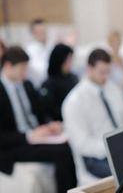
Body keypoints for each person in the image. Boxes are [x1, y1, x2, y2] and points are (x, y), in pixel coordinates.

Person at [0, 46, 77, 193]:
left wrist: (49, 126)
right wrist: (30, 135)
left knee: (69, 144)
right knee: (62, 153)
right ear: (8, 66)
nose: (25, 73)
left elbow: (40, 113)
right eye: (22, 69)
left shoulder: (27, 85)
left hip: (38, 137)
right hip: (16, 144)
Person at [62, 48, 123, 179]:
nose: (106, 77)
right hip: (95, 157)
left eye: (108, 72)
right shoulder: (74, 101)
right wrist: (113, 147)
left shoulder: (113, 88)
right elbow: (81, 143)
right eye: (102, 72)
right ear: (89, 69)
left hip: (122, 148)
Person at [41, 43, 78, 121]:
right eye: (68, 60)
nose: (71, 64)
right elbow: (48, 111)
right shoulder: (49, 84)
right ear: (60, 61)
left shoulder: (73, 78)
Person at [25, 18, 54, 87]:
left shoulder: (51, 46)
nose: (43, 34)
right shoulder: (30, 51)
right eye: (39, 31)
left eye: (44, 31)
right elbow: (39, 71)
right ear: (33, 33)